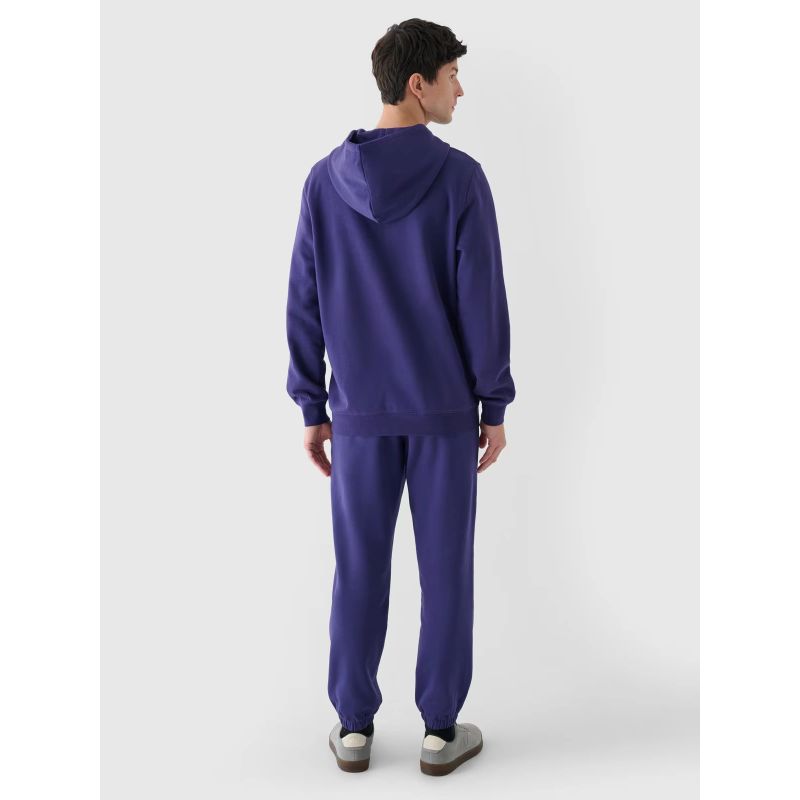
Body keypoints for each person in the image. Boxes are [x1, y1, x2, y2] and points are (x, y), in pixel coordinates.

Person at [285, 18, 516, 776]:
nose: (460, 90)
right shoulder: (460, 178)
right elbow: (483, 301)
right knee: (446, 569)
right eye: (451, 76)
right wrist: (493, 404)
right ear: (417, 85)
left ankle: (353, 728)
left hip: (357, 418)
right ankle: (440, 732)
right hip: (444, 416)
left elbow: (304, 301)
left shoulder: (324, 181)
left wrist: (313, 406)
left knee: (358, 567)